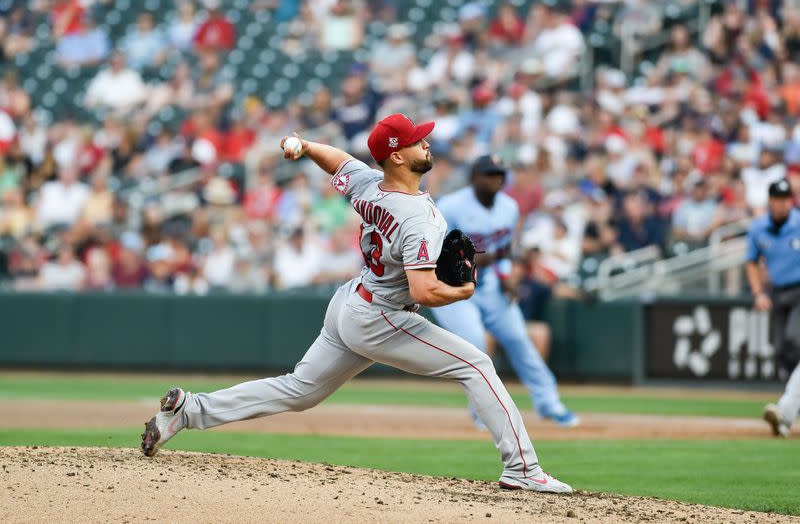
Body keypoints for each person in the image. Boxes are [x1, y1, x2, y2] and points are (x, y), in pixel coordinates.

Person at [140, 114, 573, 493]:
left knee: (299, 390)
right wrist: (464, 290)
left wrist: (307, 146)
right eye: (416, 140)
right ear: (397, 157)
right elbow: (424, 292)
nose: (426, 142)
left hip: (352, 303)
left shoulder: (370, 184)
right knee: (476, 364)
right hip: (382, 316)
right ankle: (523, 469)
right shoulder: (417, 217)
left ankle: (189, 410)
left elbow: (338, 161)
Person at [431, 155, 579, 428]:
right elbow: (434, 251)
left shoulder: (508, 207)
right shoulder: (451, 206)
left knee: (520, 341)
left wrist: (505, 277)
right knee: (475, 343)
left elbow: (504, 250)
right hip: (452, 287)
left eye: (499, 174)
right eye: (489, 174)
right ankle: (483, 412)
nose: (495, 179)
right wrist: (473, 259)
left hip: (489, 288)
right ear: (474, 177)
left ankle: (549, 403)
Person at [746, 178, 800, 437]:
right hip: (778, 292)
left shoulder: (799, 223)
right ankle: (791, 405)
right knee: (782, 350)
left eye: (786, 198)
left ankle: (788, 408)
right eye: (778, 199)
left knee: (794, 338)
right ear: (770, 201)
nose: (782, 204)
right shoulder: (758, 229)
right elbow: (751, 262)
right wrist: (758, 292)